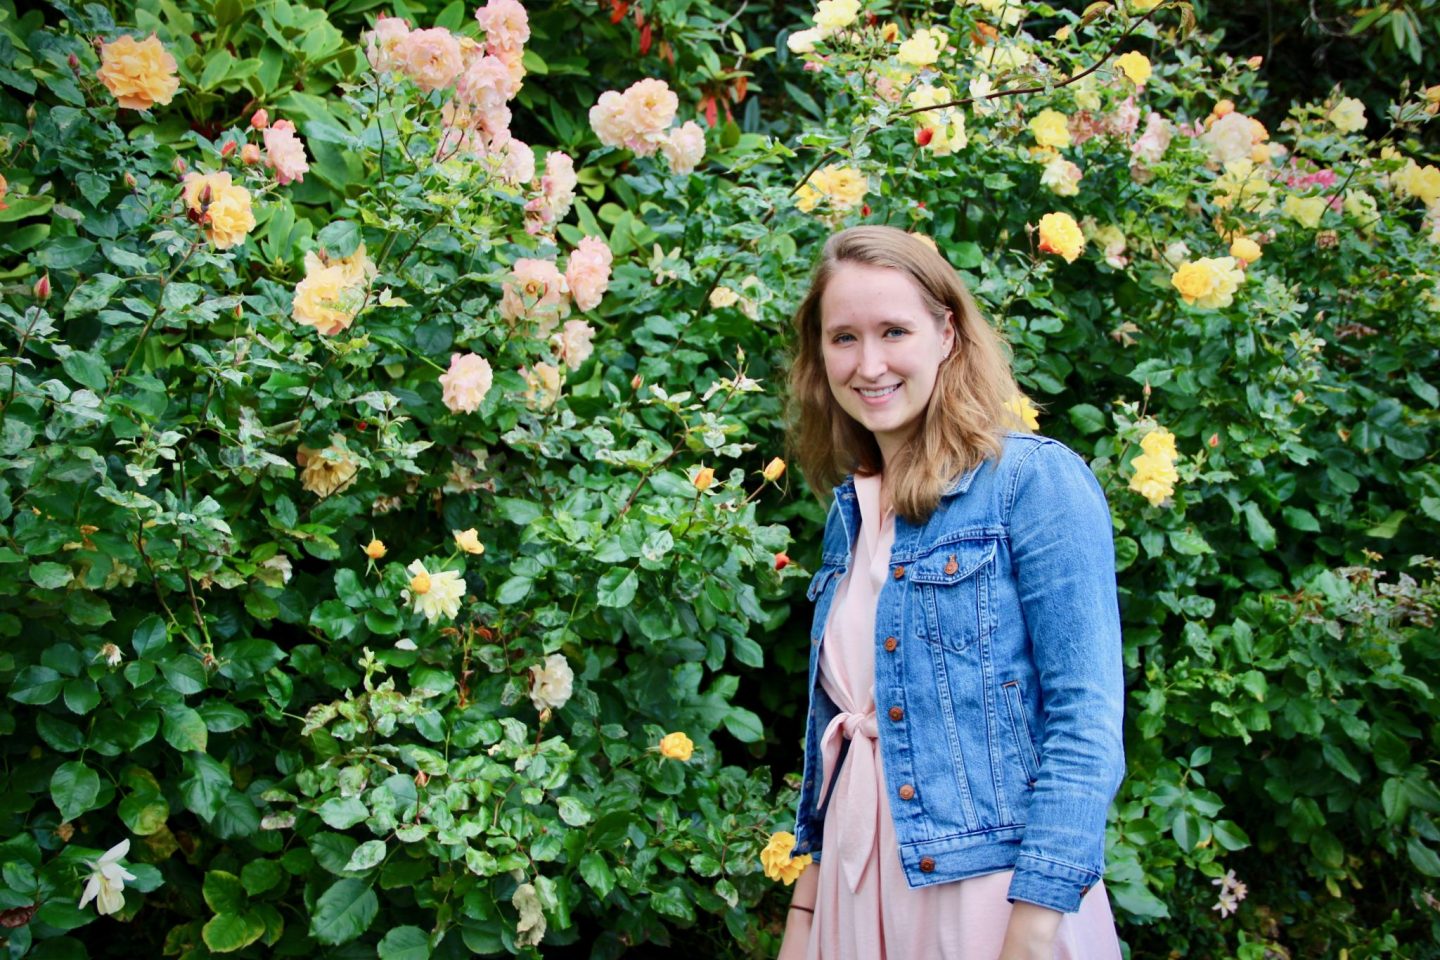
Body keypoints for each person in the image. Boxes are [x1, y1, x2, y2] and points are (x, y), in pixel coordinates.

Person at [777, 226, 1125, 960]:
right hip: (852, 891)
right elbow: (843, 743)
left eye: (893, 331)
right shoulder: (851, 513)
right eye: (843, 337)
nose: (868, 364)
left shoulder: (1034, 484)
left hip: (989, 898)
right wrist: (805, 916)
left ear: (947, 333)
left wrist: (1030, 935)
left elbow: (1086, 725)